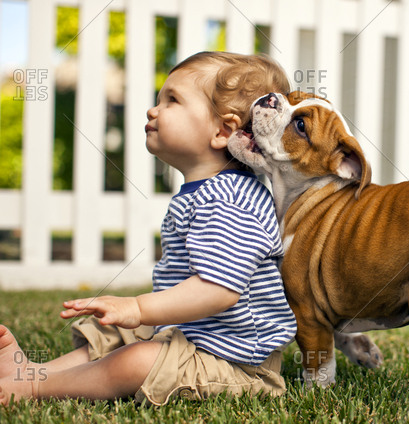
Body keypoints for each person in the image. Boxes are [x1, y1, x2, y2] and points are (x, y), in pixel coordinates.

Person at [0, 51, 296, 405]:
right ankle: (36, 373)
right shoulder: (206, 192)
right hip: (191, 335)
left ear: (223, 131)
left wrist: (139, 307)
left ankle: (35, 389)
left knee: (136, 358)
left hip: (235, 363)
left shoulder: (230, 200)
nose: (153, 110)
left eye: (172, 100)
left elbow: (219, 290)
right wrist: (137, 317)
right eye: (159, 99)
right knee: (117, 330)